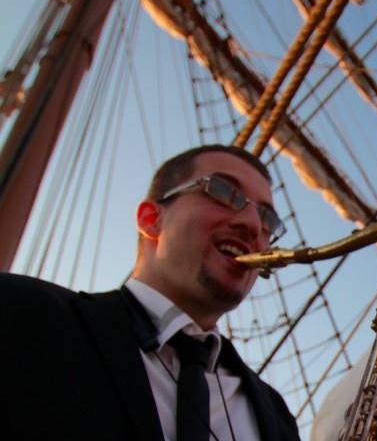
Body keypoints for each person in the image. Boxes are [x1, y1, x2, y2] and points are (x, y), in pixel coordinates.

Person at [0, 144, 301, 440]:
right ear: (151, 219)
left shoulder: (278, 416)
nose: (252, 225)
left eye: (267, 220)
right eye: (222, 191)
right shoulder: (20, 311)